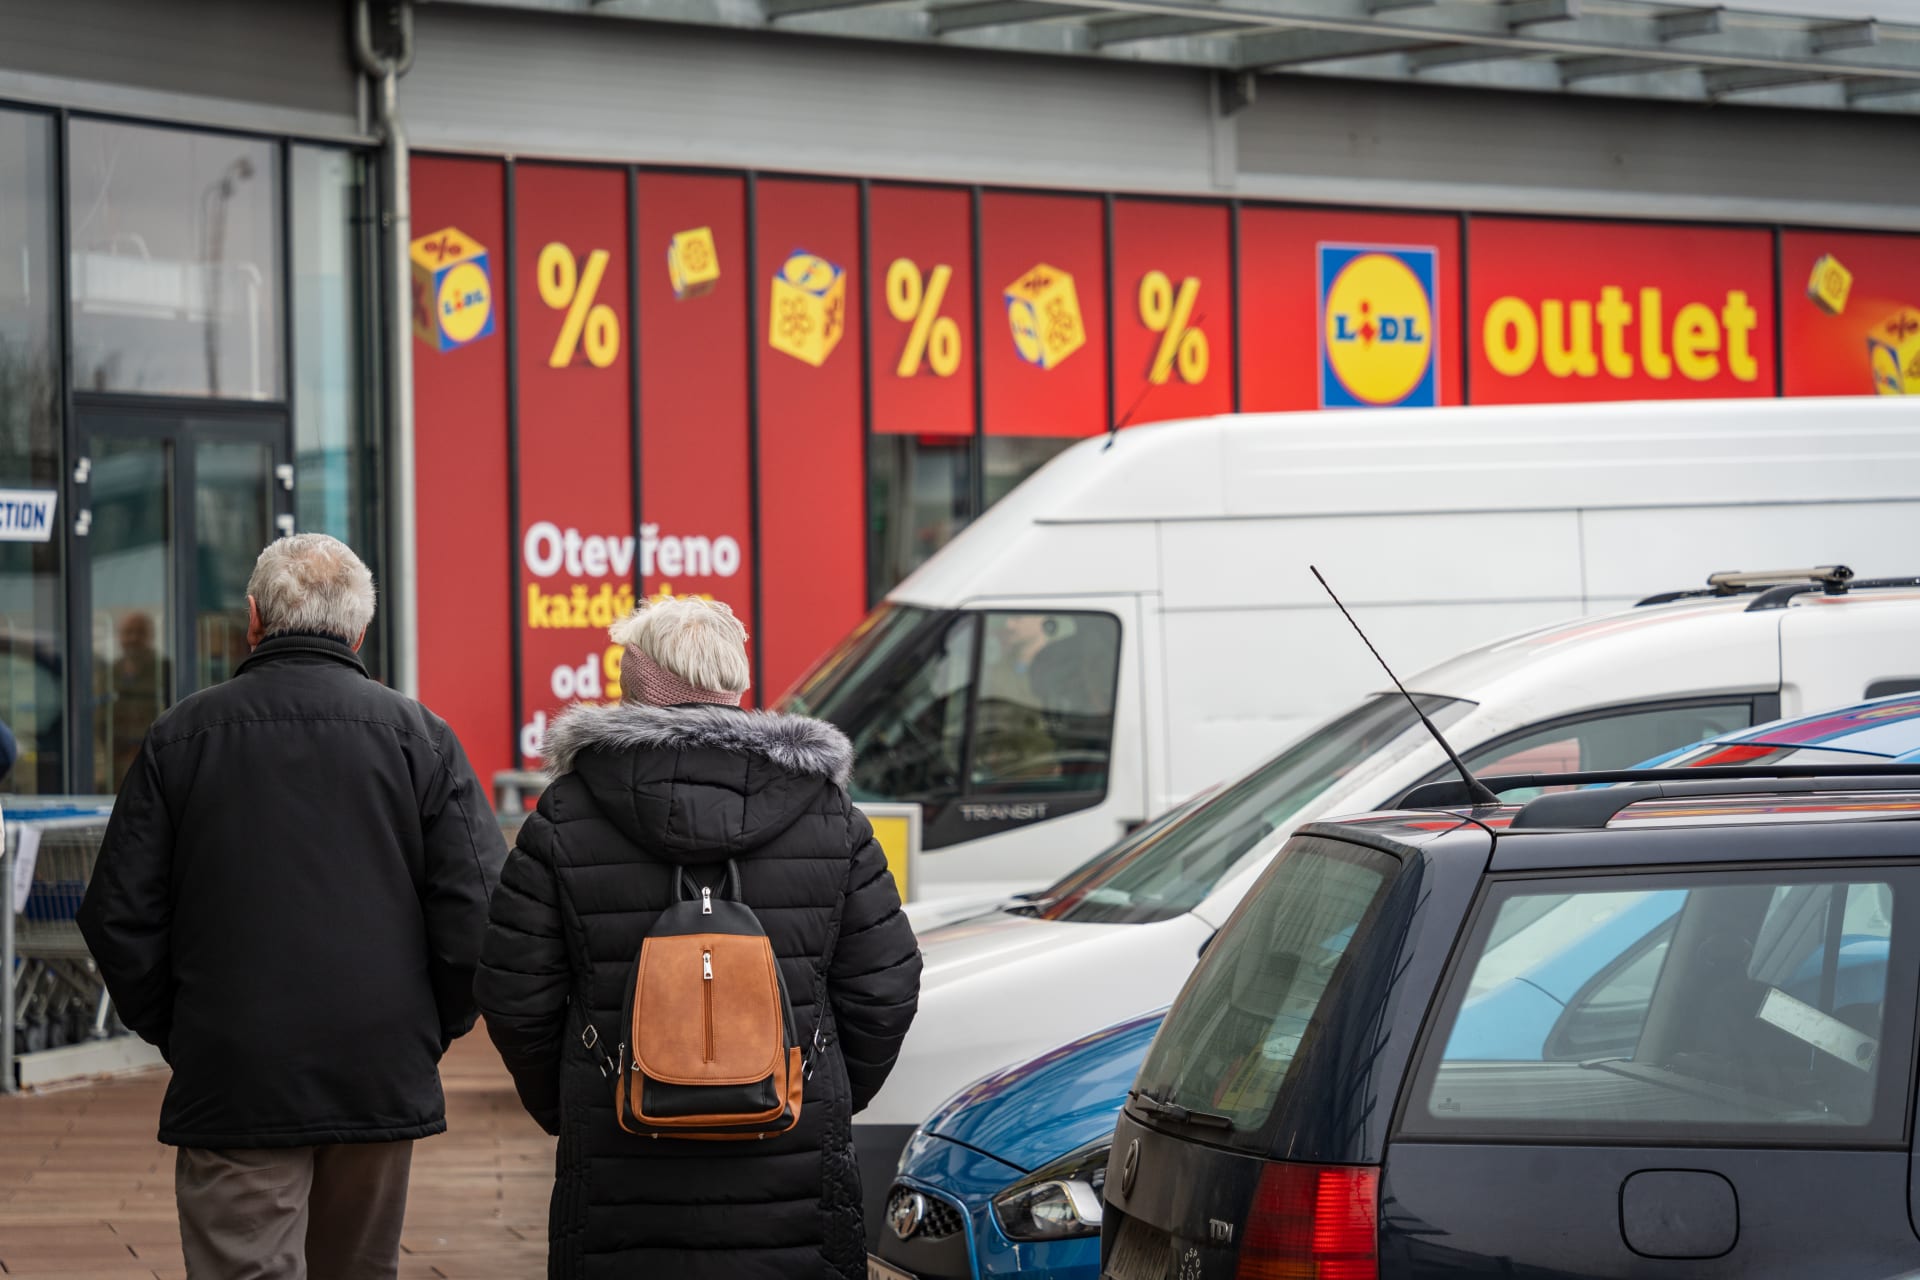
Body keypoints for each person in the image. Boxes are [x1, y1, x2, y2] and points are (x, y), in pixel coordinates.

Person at [77, 533, 506, 1280]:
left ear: (252, 619)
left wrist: (183, 1028)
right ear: (360, 631)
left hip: (235, 1064)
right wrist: (426, 1029)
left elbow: (119, 914)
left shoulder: (181, 737)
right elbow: (478, 912)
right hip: (379, 1064)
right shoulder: (421, 739)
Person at [476, 596, 921, 1279]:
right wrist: (814, 1086)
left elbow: (514, 993)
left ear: (635, 691)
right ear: (735, 684)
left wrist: (578, 1099)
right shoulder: (829, 815)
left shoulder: (565, 815)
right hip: (791, 1158)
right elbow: (885, 984)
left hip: (623, 1153)